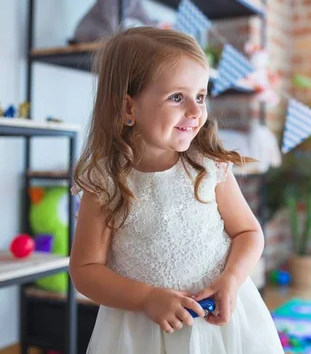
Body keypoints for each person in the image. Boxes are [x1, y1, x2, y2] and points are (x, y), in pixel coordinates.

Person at [69, 26, 284, 353]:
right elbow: (85, 271)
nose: (197, 112)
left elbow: (248, 233)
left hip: (219, 325)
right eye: (176, 97)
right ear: (129, 108)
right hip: (142, 331)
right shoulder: (106, 181)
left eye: (200, 96)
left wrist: (232, 279)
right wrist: (146, 299)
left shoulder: (208, 166)